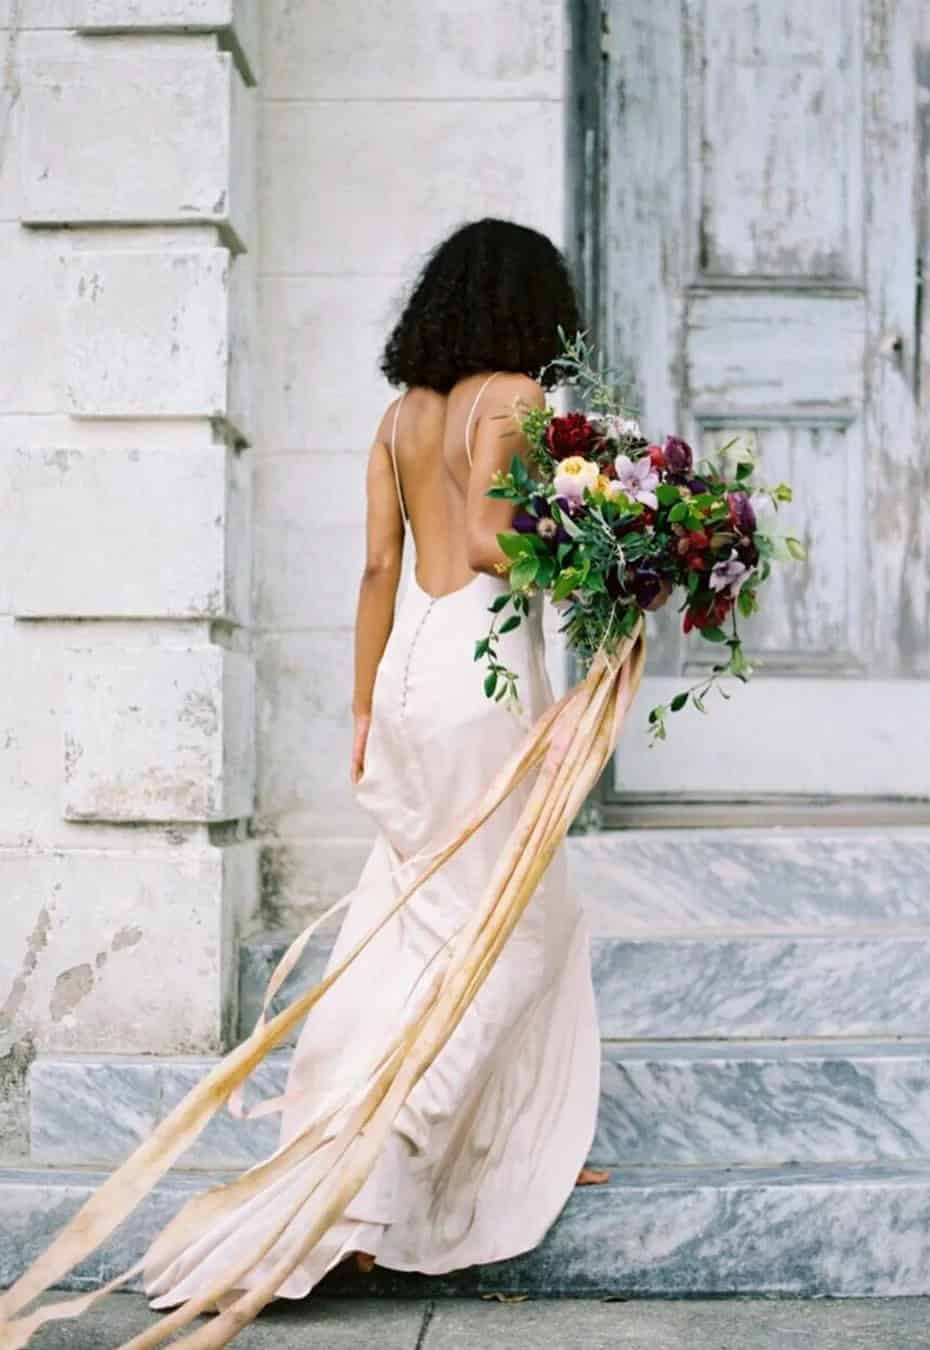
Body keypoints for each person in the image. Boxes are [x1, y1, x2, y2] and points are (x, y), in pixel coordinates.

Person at [140, 218, 610, 1310]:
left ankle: (497, 1155)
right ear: (532, 306)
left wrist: (359, 708)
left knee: (426, 922)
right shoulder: (518, 402)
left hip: (409, 670)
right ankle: (379, 1172)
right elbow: (498, 541)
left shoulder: (400, 418)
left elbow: (376, 568)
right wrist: (603, 539)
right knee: (517, 931)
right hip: (482, 676)